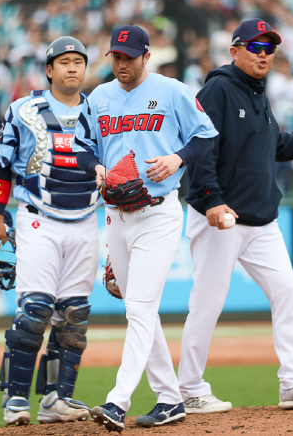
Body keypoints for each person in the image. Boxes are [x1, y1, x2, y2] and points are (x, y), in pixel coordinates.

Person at [178, 18, 293, 413]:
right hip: (221, 216)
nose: (264, 54)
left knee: (286, 290)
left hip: (260, 220)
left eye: (269, 47)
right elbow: (199, 148)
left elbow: (274, 145)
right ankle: (190, 389)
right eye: (255, 46)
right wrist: (211, 199)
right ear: (234, 51)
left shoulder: (258, 95)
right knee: (208, 302)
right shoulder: (219, 89)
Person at [74, 24, 218, 431]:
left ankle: (117, 402)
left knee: (138, 308)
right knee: (141, 312)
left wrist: (178, 158)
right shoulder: (99, 97)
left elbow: (206, 136)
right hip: (116, 216)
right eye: (116, 56)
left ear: (146, 56)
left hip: (158, 212)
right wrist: (96, 166)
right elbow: (82, 147)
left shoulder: (172, 91)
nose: (121, 63)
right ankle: (171, 399)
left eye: (128, 56)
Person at [0, 37, 100, 426]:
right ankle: (15, 400)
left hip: (86, 219)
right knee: (35, 311)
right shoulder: (23, 109)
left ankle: (57, 399)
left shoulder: (100, 112)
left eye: (78, 62)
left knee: (74, 316)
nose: (72, 68)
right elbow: (0, 166)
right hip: (38, 218)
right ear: (49, 70)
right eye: (64, 62)